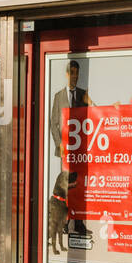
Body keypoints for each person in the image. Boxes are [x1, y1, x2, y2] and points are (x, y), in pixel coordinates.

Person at [49, 60, 93, 237]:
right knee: (66, 186)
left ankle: (80, 222)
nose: (75, 77)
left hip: (81, 149)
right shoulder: (59, 96)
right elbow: (53, 123)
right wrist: (59, 144)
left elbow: (93, 116)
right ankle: (66, 222)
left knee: (80, 184)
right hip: (65, 150)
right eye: (72, 73)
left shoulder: (83, 94)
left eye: (77, 73)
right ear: (67, 74)